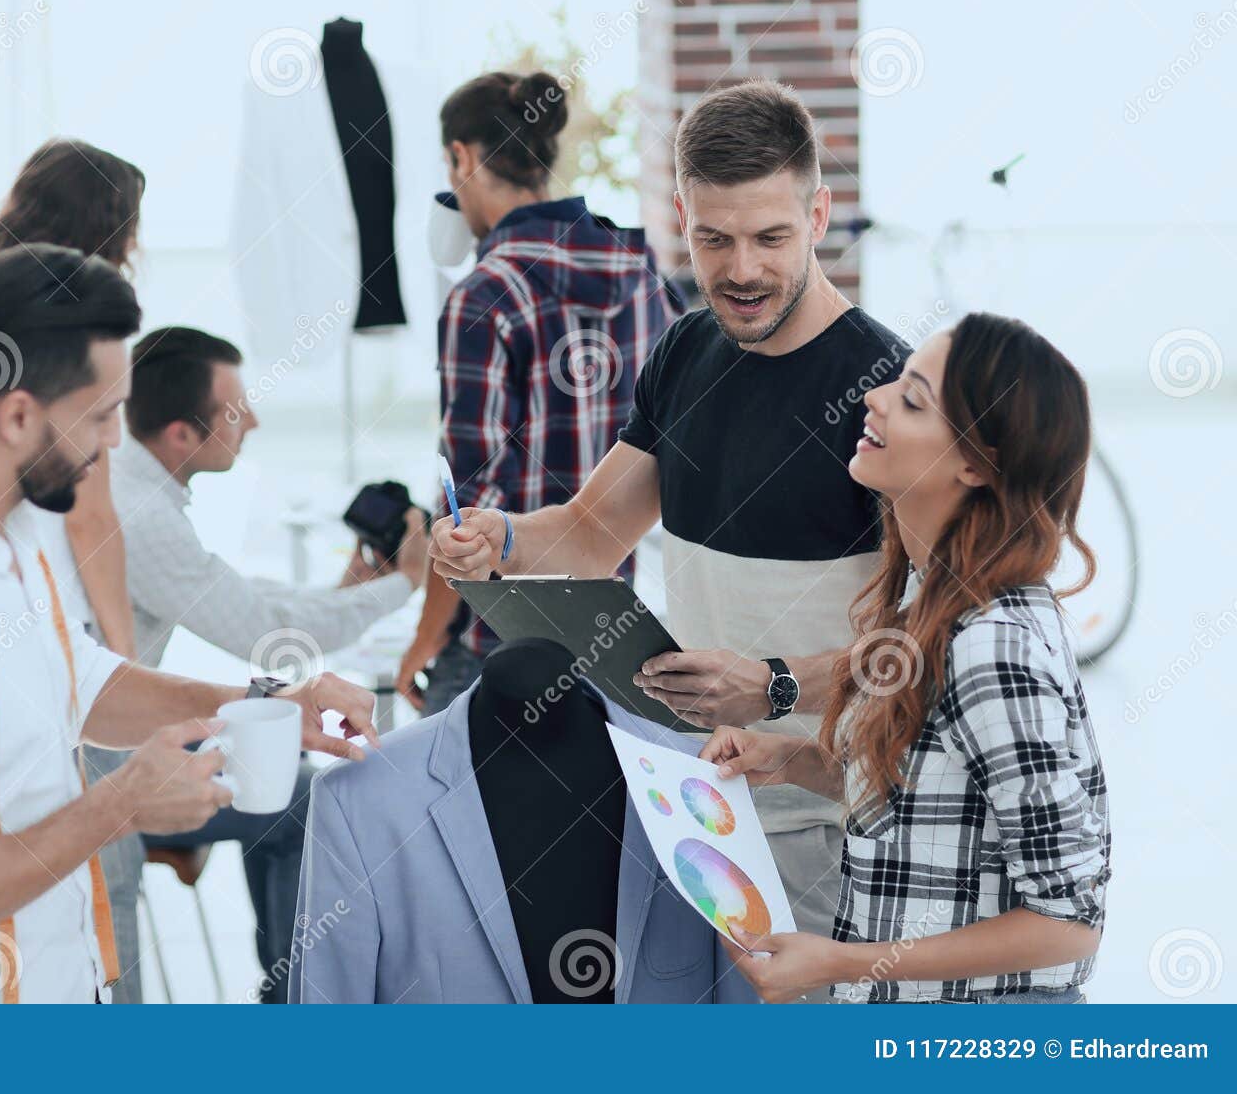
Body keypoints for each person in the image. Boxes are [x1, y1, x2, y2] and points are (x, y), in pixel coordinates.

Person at [0, 244, 375, 1003]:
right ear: (18, 413)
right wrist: (119, 804)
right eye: (102, 417)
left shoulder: (15, 524)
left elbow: (80, 679)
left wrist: (257, 706)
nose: (112, 444)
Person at [428, 79, 909, 992]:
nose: (742, 271)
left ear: (819, 213)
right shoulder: (687, 350)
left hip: (826, 819)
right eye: (713, 238)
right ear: (680, 215)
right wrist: (497, 540)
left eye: (772, 237)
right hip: (694, 802)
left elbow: (931, 647)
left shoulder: (888, 391)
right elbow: (588, 531)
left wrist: (770, 684)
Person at [698, 313, 1111, 1004]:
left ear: (976, 463)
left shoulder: (992, 647)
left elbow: (1070, 922)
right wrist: (793, 762)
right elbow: (946, 813)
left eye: (913, 399)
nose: (875, 398)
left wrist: (841, 962)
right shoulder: (933, 599)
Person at [85, 325, 428, 1003]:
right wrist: (406, 583)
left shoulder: (127, 482)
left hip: (106, 736)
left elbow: (241, 597)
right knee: (303, 803)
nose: (257, 420)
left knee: (288, 787)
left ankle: (287, 995)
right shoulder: (141, 516)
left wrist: (351, 597)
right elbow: (269, 633)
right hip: (99, 764)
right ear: (183, 434)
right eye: (237, 411)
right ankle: (296, 1002)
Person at [396, 69, 678, 714]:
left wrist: (420, 642)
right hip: (608, 629)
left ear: (460, 157)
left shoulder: (483, 296)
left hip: (500, 636)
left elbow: (466, 511)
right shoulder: (640, 272)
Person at [0, 137, 145, 661]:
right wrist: (126, 654)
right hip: (48, 609)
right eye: (129, 232)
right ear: (105, 234)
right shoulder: (78, 333)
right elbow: (91, 519)